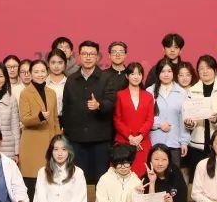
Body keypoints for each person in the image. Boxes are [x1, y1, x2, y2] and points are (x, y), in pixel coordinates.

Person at [60, 41, 118, 183]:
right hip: (76, 140)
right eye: (84, 54)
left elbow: (111, 103)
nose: (88, 57)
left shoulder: (107, 78)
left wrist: (99, 105)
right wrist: (67, 133)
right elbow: (66, 108)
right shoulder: (71, 80)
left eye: (92, 54)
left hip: (100, 140)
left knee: (102, 180)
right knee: (77, 180)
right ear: (79, 56)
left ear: (97, 57)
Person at [184, 55, 217, 180]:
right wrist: (190, 123)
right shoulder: (192, 91)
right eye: (201, 68)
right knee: (199, 178)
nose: (205, 71)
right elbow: (188, 114)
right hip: (198, 144)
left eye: (208, 68)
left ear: (215, 70)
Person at [18, 60, 60, 202]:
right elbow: (24, 119)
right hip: (32, 144)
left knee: (49, 182)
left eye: (42, 71)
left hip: (50, 142)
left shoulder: (51, 92)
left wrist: (58, 140)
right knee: (32, 184)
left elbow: (55, 119)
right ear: (30, 74)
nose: (40, 74)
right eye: (36, 71)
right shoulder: (25, 93)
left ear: (47, 72)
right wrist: (40, 117)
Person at [114, 62, 154, 177]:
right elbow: (117, 119)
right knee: (122, 175)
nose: (136, 77)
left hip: (143, 142)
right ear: (127, 76)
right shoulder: (120, 95)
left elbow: (150, 119)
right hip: (124, 141)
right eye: (133, 74)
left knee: (143, 175)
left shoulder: (148, 96)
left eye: (139, 74)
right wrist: (130, 137)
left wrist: (139, 137)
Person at [148, 59, 188, 166]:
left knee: (174, 173)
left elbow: (184, 119)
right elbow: (145, 117)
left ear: (173, 73)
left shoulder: (182, 93)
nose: (166, 74)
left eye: (169, 71)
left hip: (174, 142)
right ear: (158, 73)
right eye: (163, 71)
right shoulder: (149, 92)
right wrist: (159, 124)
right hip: (155, 142)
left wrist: (184, 141)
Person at [45, 50, 68, 116]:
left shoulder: (70, 83)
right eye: (53, 62)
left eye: (60, 63)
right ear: (48, 64)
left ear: (65, 64)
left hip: (66, 119)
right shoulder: (43, 83)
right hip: (47, 120)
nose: (56, 66)